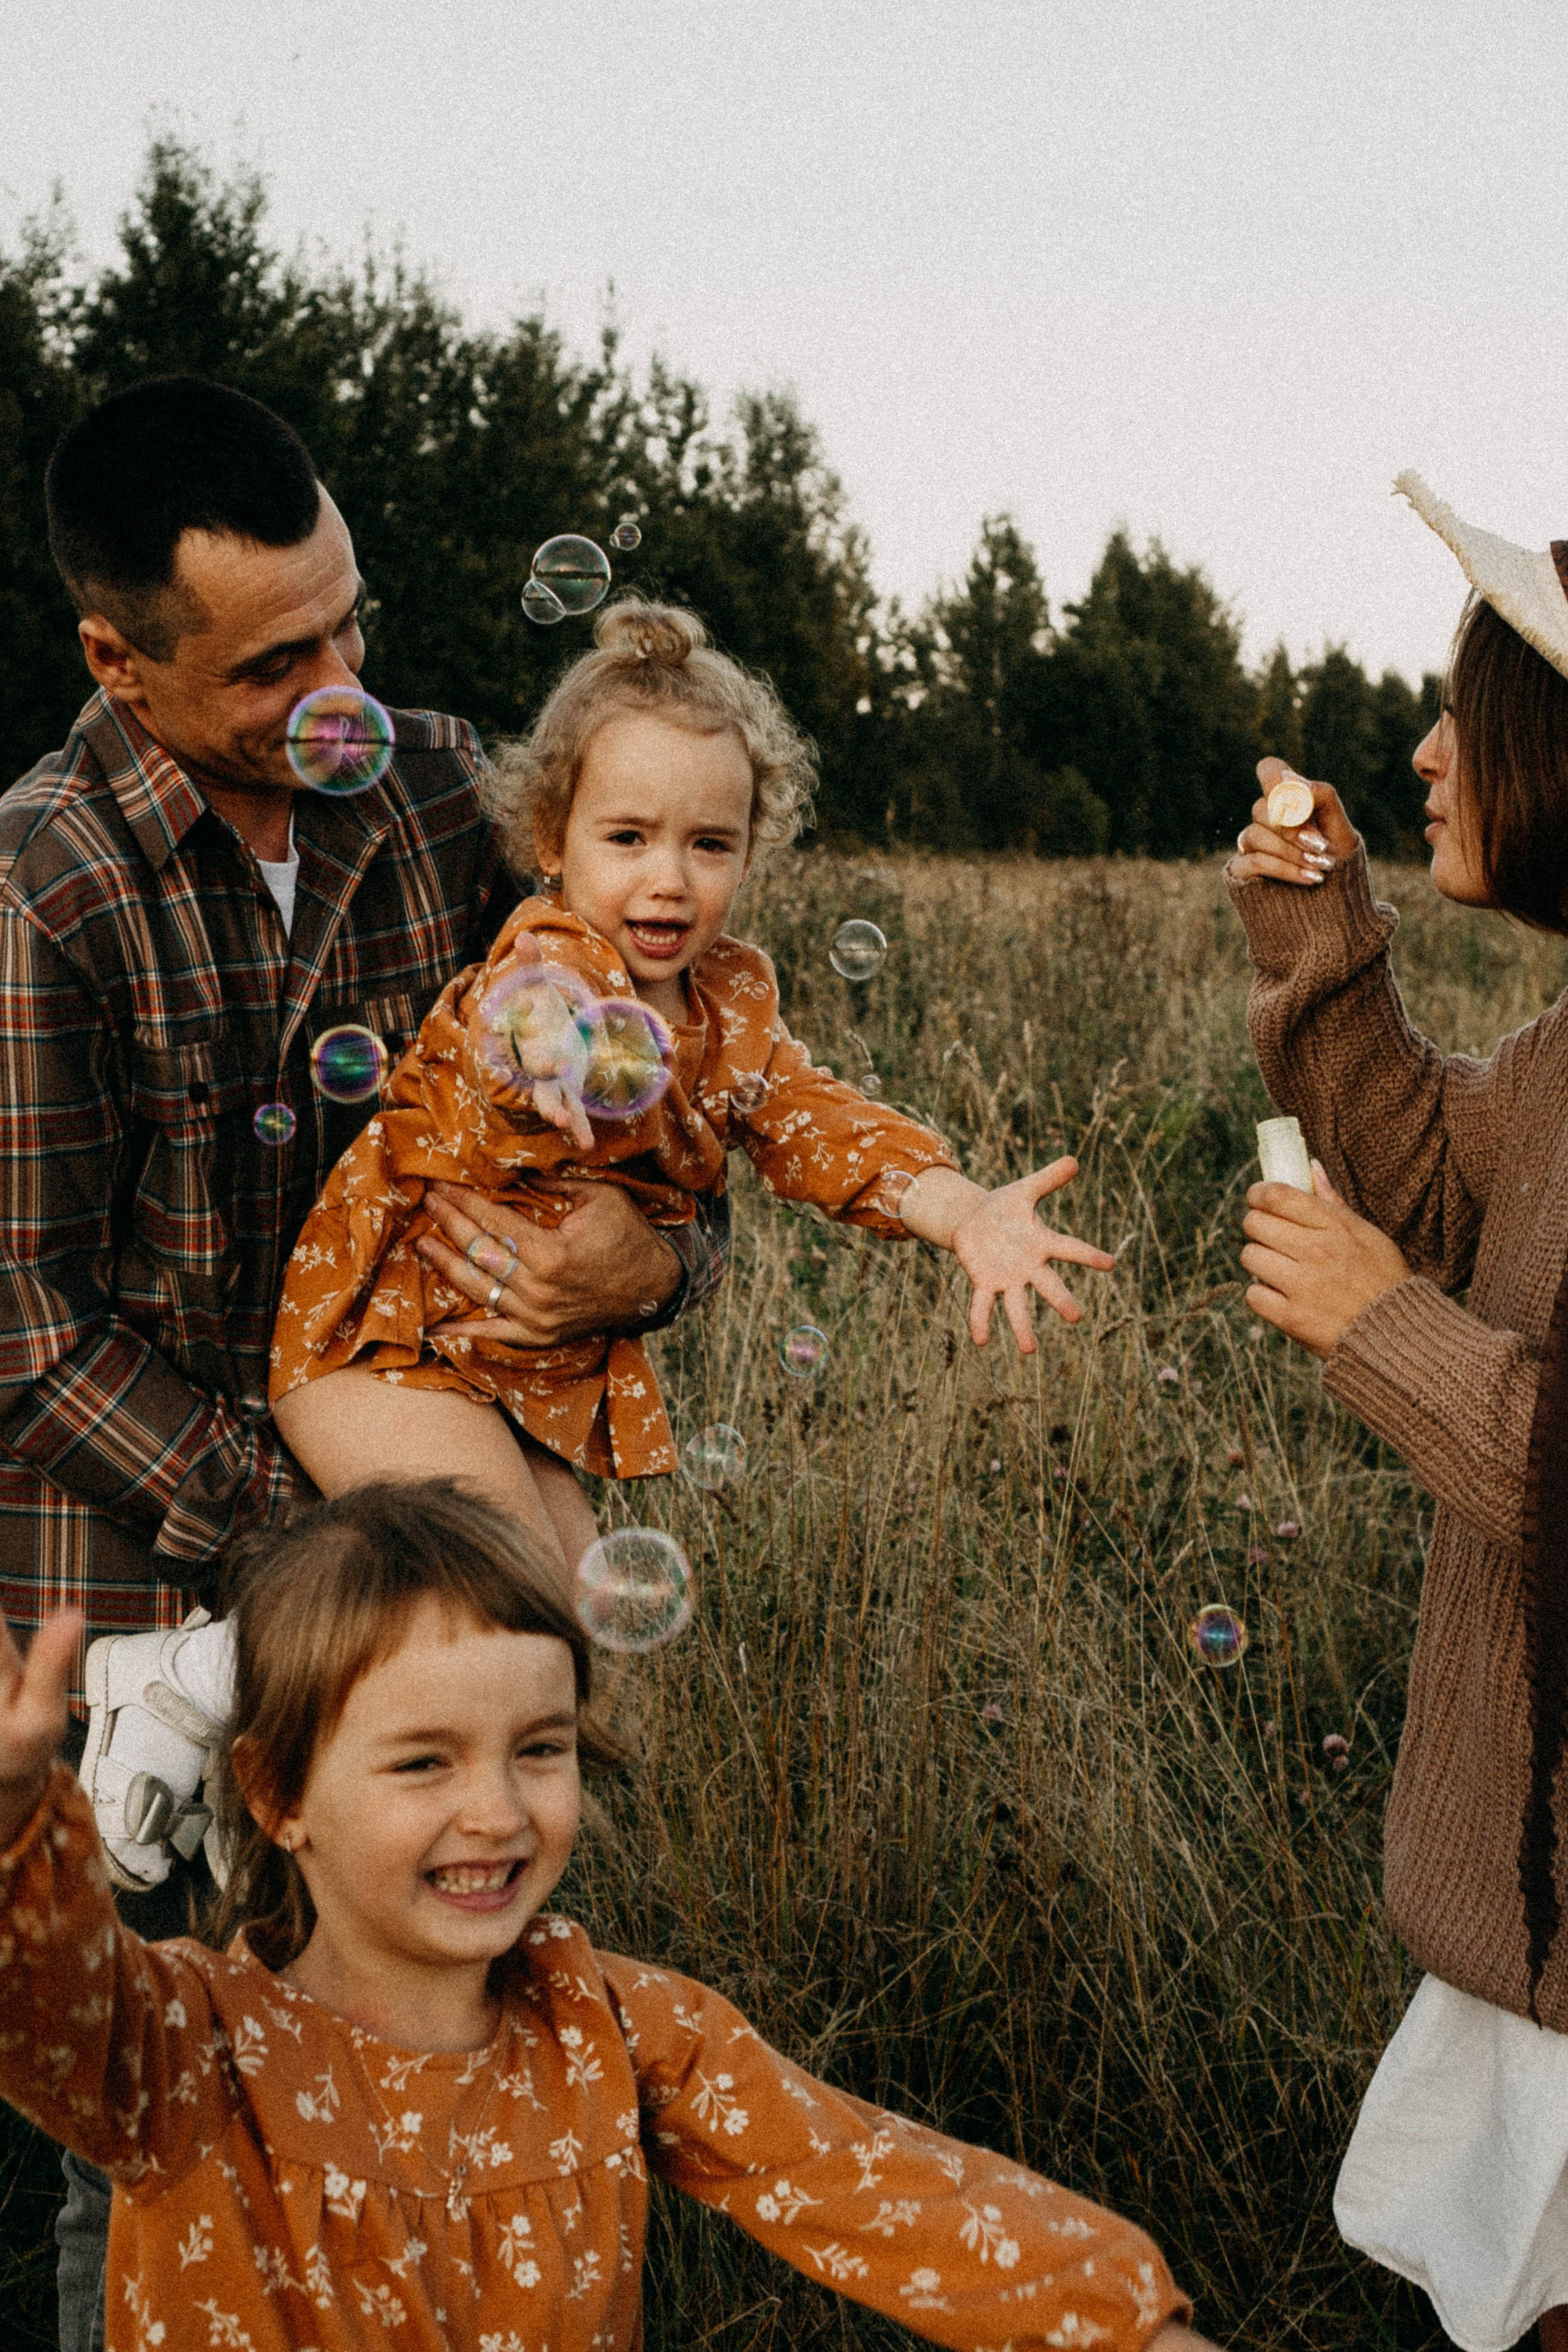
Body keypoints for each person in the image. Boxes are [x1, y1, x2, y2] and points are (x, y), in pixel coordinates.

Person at [9, 375, 724, 2345]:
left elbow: (653, 1090)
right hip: (142, 1606)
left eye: (355, 623)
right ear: (117, 660)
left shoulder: (436, 794)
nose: (343, 685)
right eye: (276, 661)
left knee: (451, 2056)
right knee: (159, 2134)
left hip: (434, 1587)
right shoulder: (37, 884)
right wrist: (321, 1521)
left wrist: (644, 1258)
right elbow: (22, 1316)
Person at [0, 1477, 1216, 2351]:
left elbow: (878, 2185)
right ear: (278, 1795)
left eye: (539, 1749)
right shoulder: (183, 2047)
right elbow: (39, 1995)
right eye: (423, 1764)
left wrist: (1119, 2323)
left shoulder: (620, 2027)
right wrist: (13, 1826)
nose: (497, 1812)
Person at [257, 598, 1114, 1570]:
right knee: (507, 1595)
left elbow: (828, 1129)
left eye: (710, 844)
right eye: (627, 839)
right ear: (552, 840)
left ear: (753, 848)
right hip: (384, 1338)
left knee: (576, 1629)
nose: (669, 878)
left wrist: (966, 1215)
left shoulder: (733, 1015)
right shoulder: (554, 950)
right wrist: (550, 1058)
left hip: (489, 1362)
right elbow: (524, 1006)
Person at [1229, 472, 1568, 2352]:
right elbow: (1431, 1184)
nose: (1430, 750)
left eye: (1471, 711)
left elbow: (1408, 1277)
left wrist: (1388, 1333)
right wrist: (1317, 936)